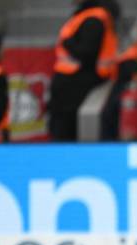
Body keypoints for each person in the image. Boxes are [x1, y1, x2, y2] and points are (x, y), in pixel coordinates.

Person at [49, 0, 119, 142]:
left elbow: (87, 53)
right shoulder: (86, 15)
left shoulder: (93, 19)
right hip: (70, 90)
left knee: (68, 136)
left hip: (76, 91)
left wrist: (67, 42)